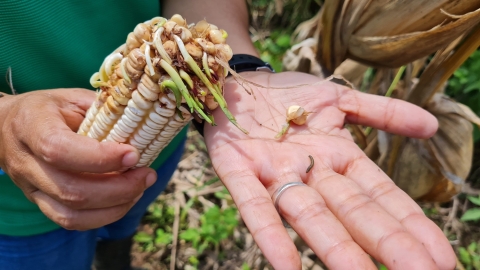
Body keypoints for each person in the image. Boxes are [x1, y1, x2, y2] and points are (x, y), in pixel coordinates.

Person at [0, 0, 456, 269]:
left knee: (124, 219)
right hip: (16, 201)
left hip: (155, 152)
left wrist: (240, 69)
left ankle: (119, 251)